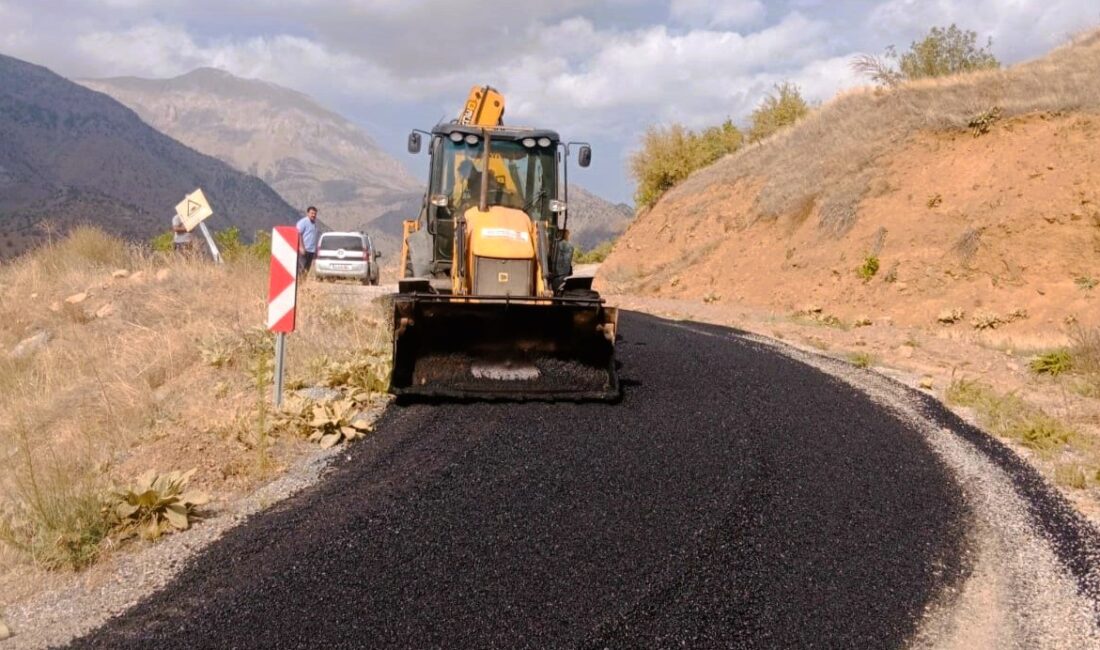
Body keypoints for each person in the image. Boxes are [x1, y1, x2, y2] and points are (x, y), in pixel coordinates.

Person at [296, 206, 320, 275]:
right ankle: (299, 284)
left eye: (315, 214)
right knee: (301, 269)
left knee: (306, 270)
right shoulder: (303, 222)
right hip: (304, 250)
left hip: (311, 251)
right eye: (312, 213)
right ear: (308, 213)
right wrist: (301, 247)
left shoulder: (314, 224)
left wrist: (315, 250)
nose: (313, 215)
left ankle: (303, 284)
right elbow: (299, 233)